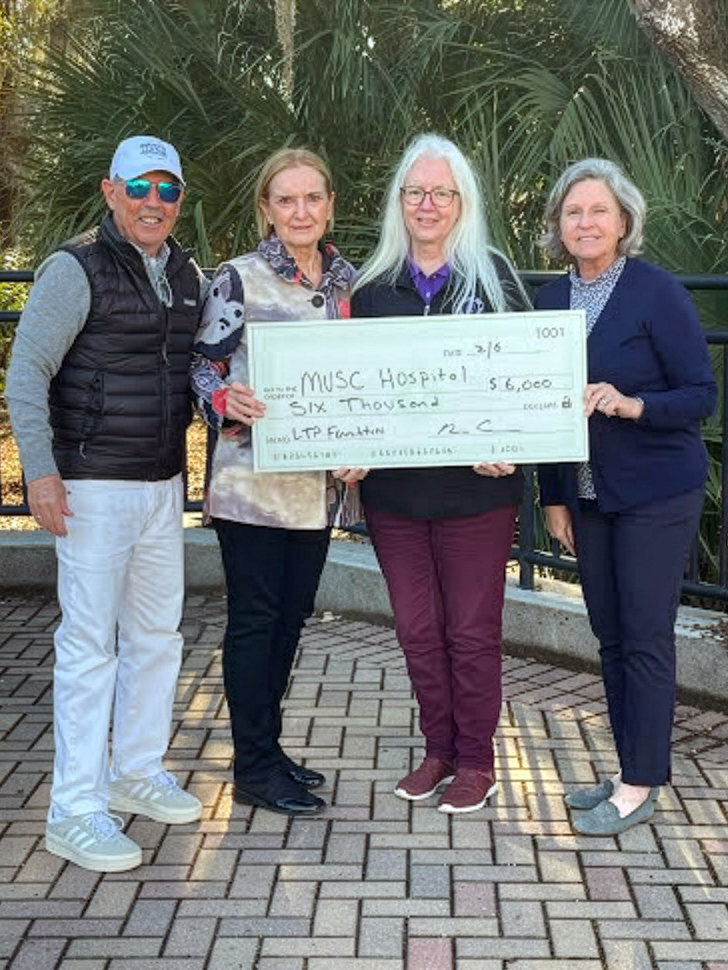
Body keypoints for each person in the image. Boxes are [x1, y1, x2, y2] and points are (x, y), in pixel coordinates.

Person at [5, 135, 205, 871]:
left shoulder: (186, 273)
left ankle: (137, 771)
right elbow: (28, 370)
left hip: (161, 484)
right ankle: (75, 809)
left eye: (168, 190)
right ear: (111, 190)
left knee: (156, 636)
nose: (154, 202)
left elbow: (199, 369)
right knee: (90, 649)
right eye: (139, 187)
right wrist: (41, 474)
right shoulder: (75, 266)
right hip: (92, 485)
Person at [348, 133, 529, 814]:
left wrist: (511, 443)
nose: (428, 205)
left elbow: (528, 380)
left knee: (472, 631)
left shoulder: (495, 280)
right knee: (417, 630)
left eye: (441, 193)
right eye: (416, 192)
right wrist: (347, 446)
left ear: (463, 202)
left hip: (477, 493)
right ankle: (439, 751)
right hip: (395, 496)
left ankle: (477, 760)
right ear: (400, 201)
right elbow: (351, 390)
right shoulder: (372, 290)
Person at [536, 158, 717, 835]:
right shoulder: (549, 301)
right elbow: (541, 409)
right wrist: (554, 498)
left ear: (623, 222)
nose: (585, 222)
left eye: (599, 211)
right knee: (610, 637)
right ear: (559, 224)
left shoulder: (655, 292)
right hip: (588, 498)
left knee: (644, 638)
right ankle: (628, 769)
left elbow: (701, 395)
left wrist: (633, 405)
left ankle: (642, 783)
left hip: (656, 491)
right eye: (573, 211)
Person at [191, 147, 358, 816]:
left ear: (329, 205)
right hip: (252, 489)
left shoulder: (347, 283)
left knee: (290, 620)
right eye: (286, 199)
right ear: (266, 208)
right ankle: (253, 766)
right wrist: (222, 399)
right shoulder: (238, 278)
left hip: (317, 492)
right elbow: (201, 367)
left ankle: (268, 748)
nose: (300, 211)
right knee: (255, 623)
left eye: (312, 198)